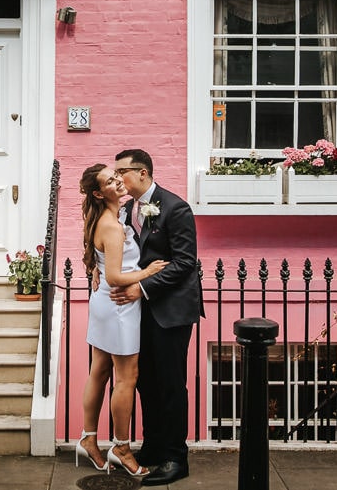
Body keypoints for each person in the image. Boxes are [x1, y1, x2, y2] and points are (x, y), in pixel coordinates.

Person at [110, 148, 203, 486]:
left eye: (123, 172)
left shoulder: (175, 208)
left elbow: (184, 263)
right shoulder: (128, 208)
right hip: (141, 313)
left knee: (170, 386)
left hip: (171, 312)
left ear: (144, 173)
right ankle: (152, 449)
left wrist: (142, 288)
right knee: (146, 382)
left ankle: (176, 458)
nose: (118, 178)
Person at [77, 163, 168, 477]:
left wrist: (95, 268)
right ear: (99, 193)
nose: (118, 181)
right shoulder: (112, 225)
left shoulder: (109, 217)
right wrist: (149, 272)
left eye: (117, 176)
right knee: (126, 378)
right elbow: (116, 276)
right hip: (118, 305)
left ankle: (89, 439)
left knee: (99, 371)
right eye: (110, 181)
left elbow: (103, 264)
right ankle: (122, 447)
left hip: (104, 302)